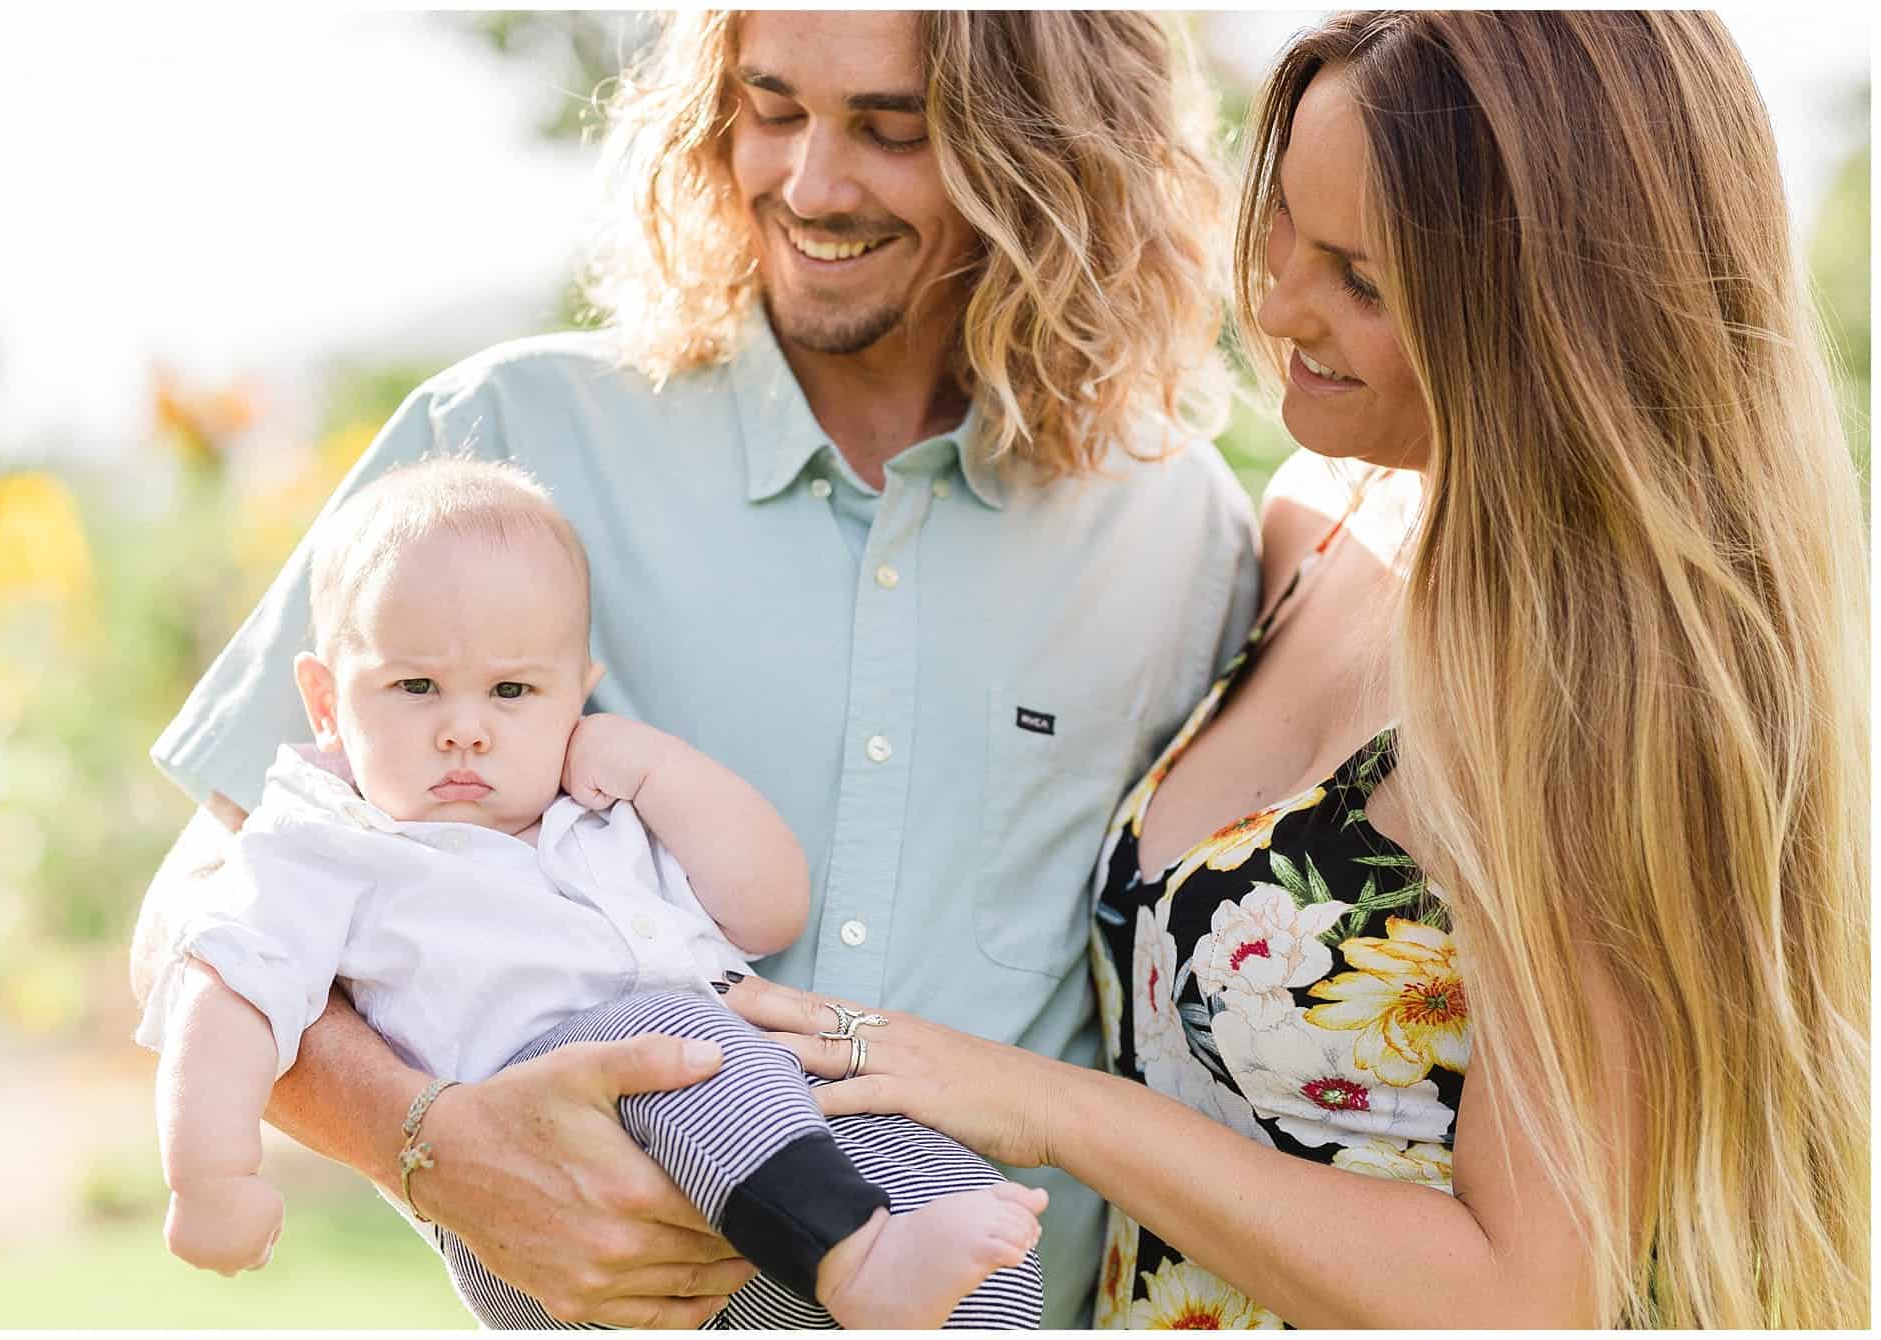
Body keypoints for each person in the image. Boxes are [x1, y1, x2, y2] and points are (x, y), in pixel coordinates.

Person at [724, 9, 1871, 1329]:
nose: (1276, 305)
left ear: (1557, 312)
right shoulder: (1310, 529)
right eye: (1284, 228)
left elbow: (1522, 1296)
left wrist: (1039, 1105)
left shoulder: (1611, 695)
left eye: (1362, 280)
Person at [129, 10, 1259, 1329]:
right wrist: (430, 1146)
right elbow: (200, 913)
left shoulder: (1173, 528)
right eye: (770, 109)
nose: (812, 184)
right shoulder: (498, 449)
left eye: (892, 129)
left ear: (1050, 153)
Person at [140, 458, 1048, 1328]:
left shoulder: (601, 816)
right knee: (679, 1044)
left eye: (511, 690)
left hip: (747, 1179)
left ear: (577, 696)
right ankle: (860, 1261)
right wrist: (210, 1177)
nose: (466, 729)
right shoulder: (325, 845)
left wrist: (663, 772)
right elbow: (226, 987)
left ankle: (907, 1286)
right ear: (328, 701)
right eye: (415, 686)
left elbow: (767, 914)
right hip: (549, 1180)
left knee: (944, 1179)